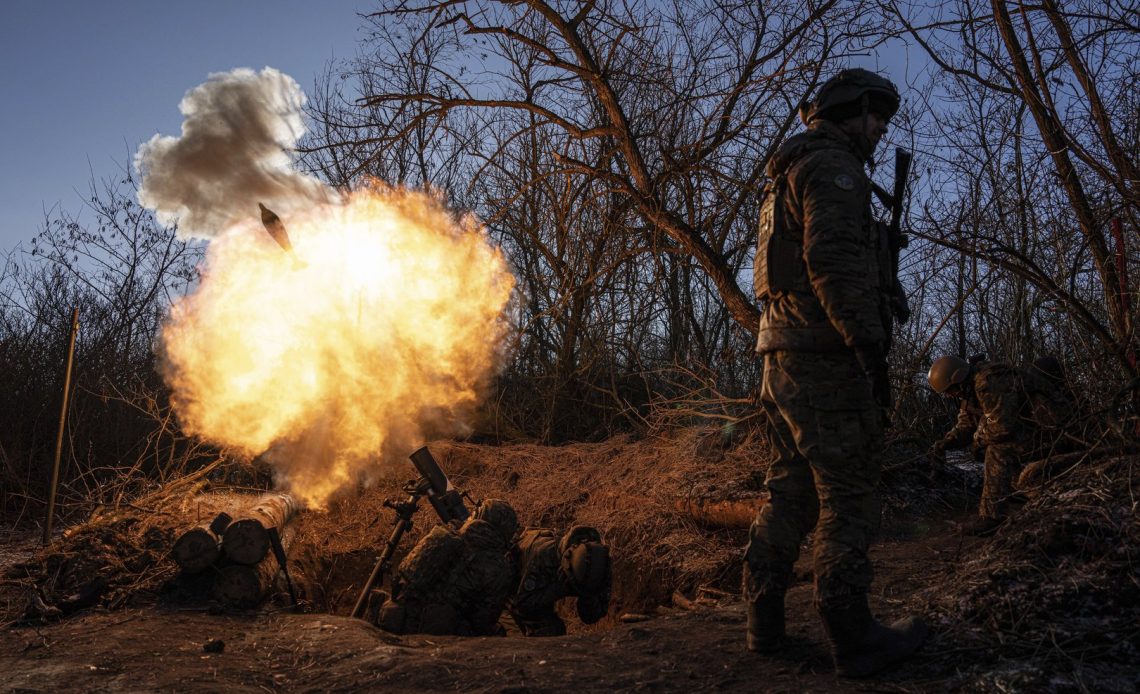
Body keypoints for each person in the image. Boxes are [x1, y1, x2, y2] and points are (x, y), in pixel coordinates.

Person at [745, 67, 926, 677]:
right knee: (847, 492)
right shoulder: (834, 168)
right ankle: (853, 636)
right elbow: (832, 262)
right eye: (876, 117)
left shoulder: (789, 173)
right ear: (849, 110)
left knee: (789, 491)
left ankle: (763, 622)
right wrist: (868, 346)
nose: (881, 130)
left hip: (779, 353)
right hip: (824, 355)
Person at [927, 354, 1073, 535]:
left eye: (950, 390)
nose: (950, 395)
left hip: (1055, 430)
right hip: (1036, 428)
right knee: (986, 447)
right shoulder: (969, 391)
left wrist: (978, 440)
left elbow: (1003, 427)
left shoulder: (989, 381)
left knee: (997, 450)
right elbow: (966, 425)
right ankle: (1022, 490)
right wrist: (944, 444)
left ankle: (992, 517)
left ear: (958, 379)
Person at [374, 498, 518, 636]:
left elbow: (404, 575)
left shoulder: (442, 535)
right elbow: (483, 622)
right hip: (443, 638)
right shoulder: (500, 568)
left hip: (399, 623)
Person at [507, 525, 611, 636]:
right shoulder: (543, 556)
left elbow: (590, 617)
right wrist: (557, 590)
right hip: (512, 587)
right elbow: (523, 604)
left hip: (539, 591)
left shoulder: (598, 565)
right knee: (549, 631)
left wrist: (589, 596)